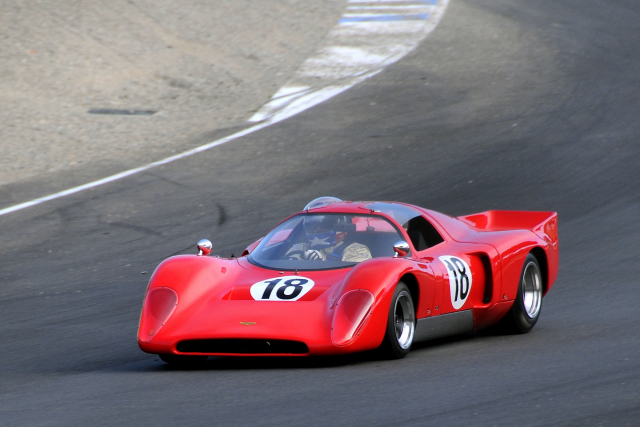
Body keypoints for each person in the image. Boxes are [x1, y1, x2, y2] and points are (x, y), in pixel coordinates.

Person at [285, 215, 371, 262]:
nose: (317, 229)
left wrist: (322, 264)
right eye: (313, 226)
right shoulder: (300, 248)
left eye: (324, 225)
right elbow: (283, 272)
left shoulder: (356, 250)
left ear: (340, 226)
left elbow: (357, 279)